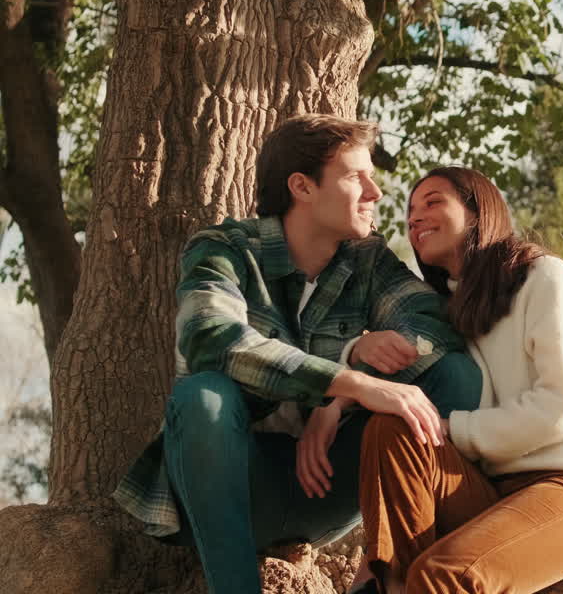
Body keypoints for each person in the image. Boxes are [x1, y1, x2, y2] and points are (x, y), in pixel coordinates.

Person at [112, 115, 482, 594]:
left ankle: (386, 574)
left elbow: (434, 327)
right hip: (231, 482)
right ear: (302, 187)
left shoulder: (366, 259)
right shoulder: (225, 248)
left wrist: (338, 399)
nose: (375, 192)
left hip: (324, 484)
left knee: (454, 374)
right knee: (203, 396)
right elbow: (212, 338)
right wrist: (349, 380)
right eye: (357, 177)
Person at [343, 166, 563, 594]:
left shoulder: (544, 278)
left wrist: (454, 429)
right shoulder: (453, 309)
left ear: (479, 211)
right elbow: (394, 379)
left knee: (445, 575)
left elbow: (562, 409)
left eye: (432, 202)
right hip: (489, 493)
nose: (415, 217)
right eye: (410, 211)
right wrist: (356, 351)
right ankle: (392, 579)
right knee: (393, 426)